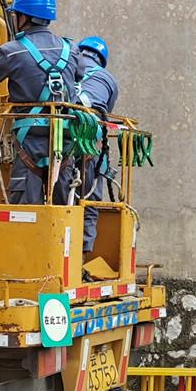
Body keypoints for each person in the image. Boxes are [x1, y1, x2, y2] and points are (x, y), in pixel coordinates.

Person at [70, 37, 133, 391]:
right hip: (86, 151)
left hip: (68, 147)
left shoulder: (75, 69)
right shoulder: (102, 78)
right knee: (87, 205)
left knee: (67, 201)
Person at [0, 0, 79, 205]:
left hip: (30, 139)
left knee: (25, 214)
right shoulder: (71, 49)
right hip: (64, 138)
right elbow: (79, 77)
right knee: (64, 211)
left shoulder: (13, 51)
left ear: (23, 17)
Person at [76, 36, 119, 253]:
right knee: (90, 198)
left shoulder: (67, 65)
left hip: (57, 139)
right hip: (90, 145)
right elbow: (106, 113)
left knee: (59, 194)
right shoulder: (108, 79)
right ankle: (83, 252)